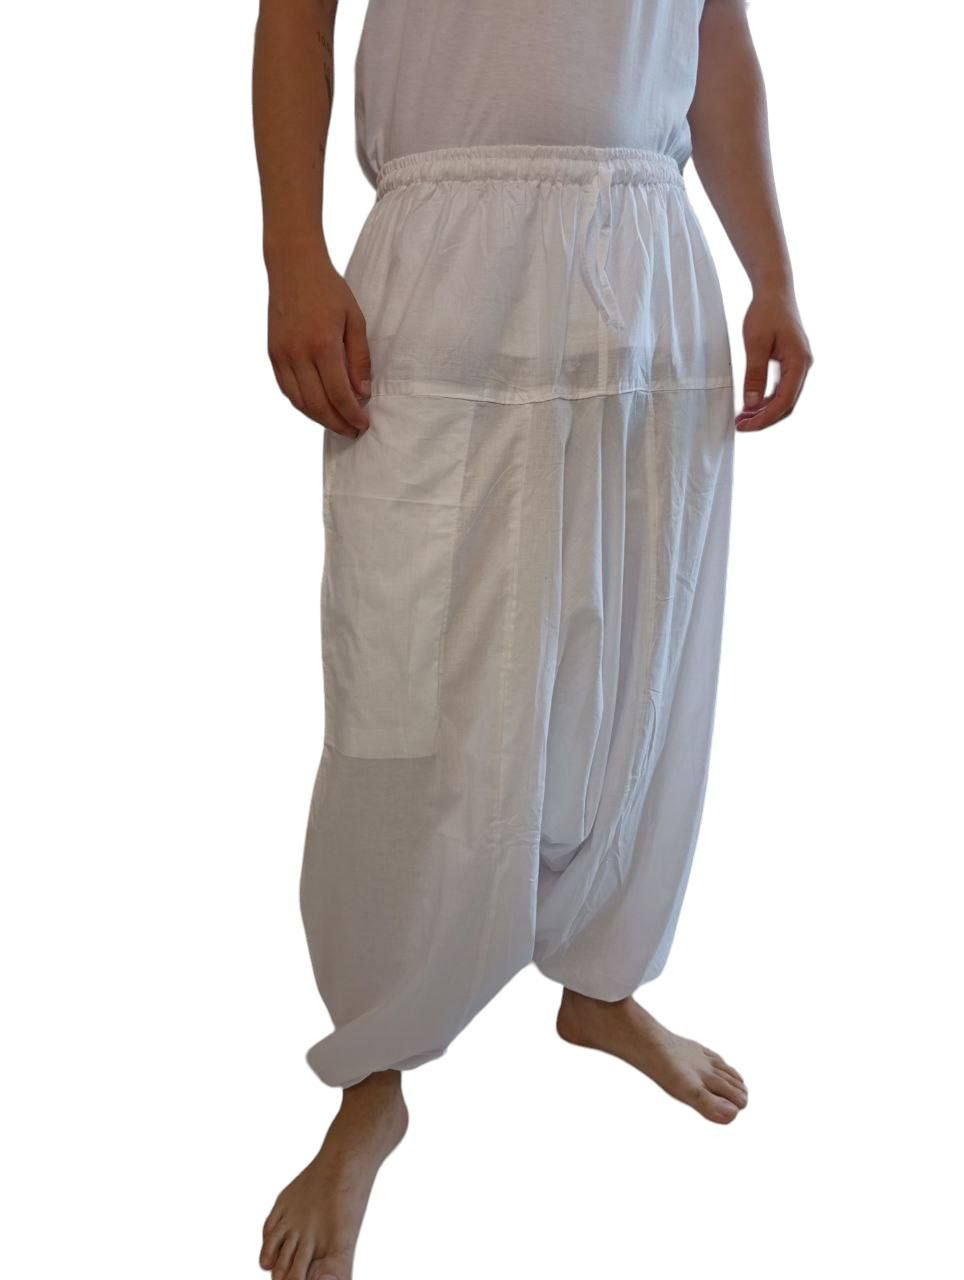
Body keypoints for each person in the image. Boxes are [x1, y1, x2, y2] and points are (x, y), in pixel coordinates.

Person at [252, 1, 812, 1276]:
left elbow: (715, 37)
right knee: (405, 683)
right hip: (447, 251)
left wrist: (771, 270)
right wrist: (292, 252)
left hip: (646, 254)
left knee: (638, 662)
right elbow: (296, 14)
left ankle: (601, 981)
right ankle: (374, 1072)